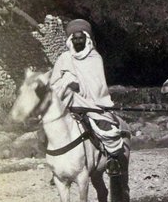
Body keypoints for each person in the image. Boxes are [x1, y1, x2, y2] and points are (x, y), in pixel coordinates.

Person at [49, 19, 128, 174]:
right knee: (52, 130)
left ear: (86, 38)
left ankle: (112, 160)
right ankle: (56, 167)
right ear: (71, 40)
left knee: (108, 129)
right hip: (68, 104)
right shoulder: (64, 58)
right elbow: (54, 82)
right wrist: (67, 82)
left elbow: (98, 85)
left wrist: (80, 85)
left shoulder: (94, 58)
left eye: (81, 38)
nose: (78, 41)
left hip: (92, 104)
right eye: (75, 38)